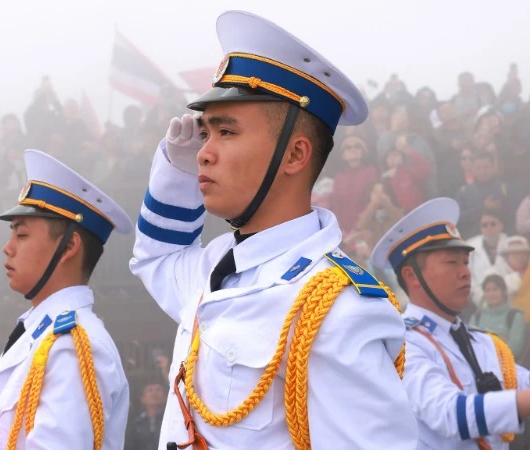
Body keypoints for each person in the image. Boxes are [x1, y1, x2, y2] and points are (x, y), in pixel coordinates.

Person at [129, 10, 417, 449]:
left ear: (295, 155)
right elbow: (156, 257)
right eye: (205, 134)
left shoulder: (338, 308)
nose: (204, 153)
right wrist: (174, 170)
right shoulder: (216, 266)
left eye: (226, 131)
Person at [0, 150, 131, 450]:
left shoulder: (74, 346)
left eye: (21, 236)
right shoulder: (37, 335)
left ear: (68, 246)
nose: (7, 248)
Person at [372, 197, 530, 449]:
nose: (465, 272)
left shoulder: (483, 342)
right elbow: (450, 415)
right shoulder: (402, 345)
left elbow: (522, 382)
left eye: (466, 262)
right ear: (411, 276)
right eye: (451, 262)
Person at [470, 273, 526, 358]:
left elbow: (515, 349)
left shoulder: (515, 316)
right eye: (487, 290)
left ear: (504, 292)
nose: (491, 294)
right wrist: (501, 340)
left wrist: (485, 341)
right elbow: (471, 344)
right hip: (479, 365)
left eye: (495, 289)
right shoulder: (477, 317)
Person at [125, 381, 167, 450]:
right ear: (143, 399)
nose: (154, 393)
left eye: (158, 390)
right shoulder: (135, 424)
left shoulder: (169, 422)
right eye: (150, 390)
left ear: (165, 398)